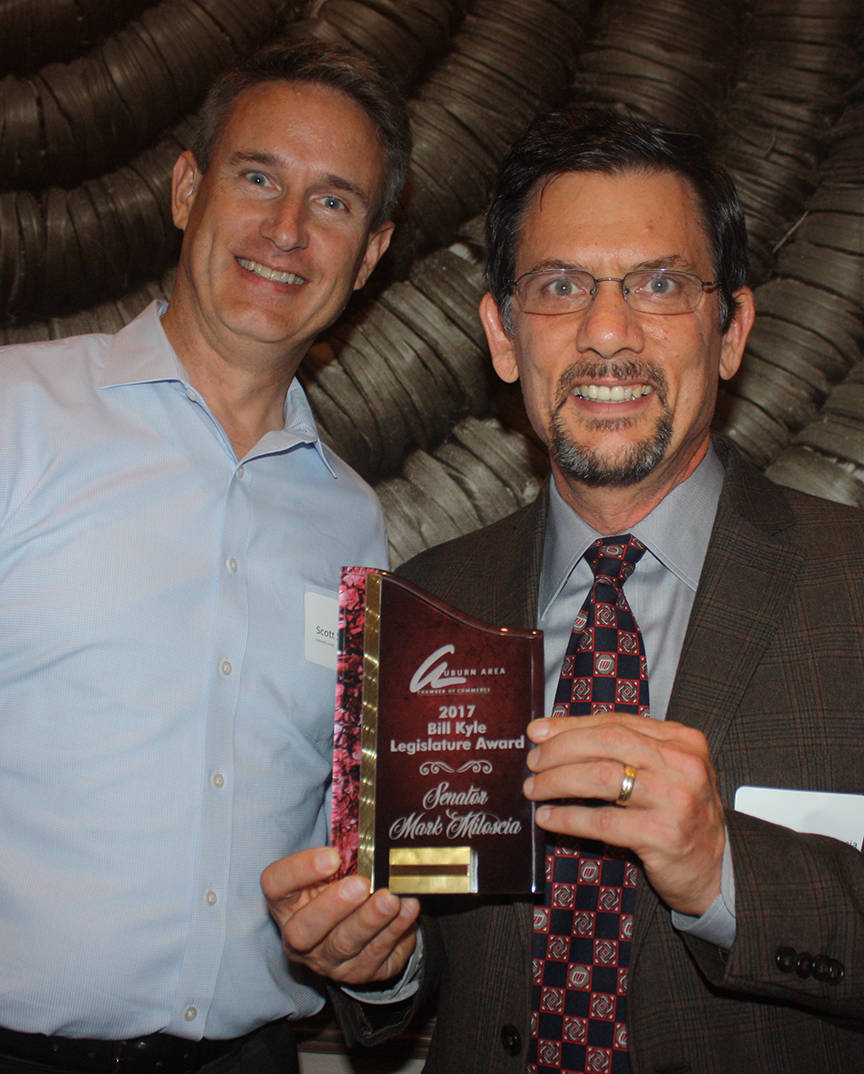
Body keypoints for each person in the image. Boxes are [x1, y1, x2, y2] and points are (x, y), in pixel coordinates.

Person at [262, 108, 864, 1073]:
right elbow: (427, 962)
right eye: (559, 286)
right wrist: (377, 964)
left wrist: (730, 874)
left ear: (732, 329)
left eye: (660, 284)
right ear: (503, 338)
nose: (607, 332)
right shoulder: (424, 608)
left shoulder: (852, 585)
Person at [0, 39, 410, 1074]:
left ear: (370, 255)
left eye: (334, 203)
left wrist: (373, 938)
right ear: (188, 189)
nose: (284, 230)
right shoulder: (15, 416)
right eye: (258, 176)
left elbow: (345, 828)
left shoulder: (356, 528)